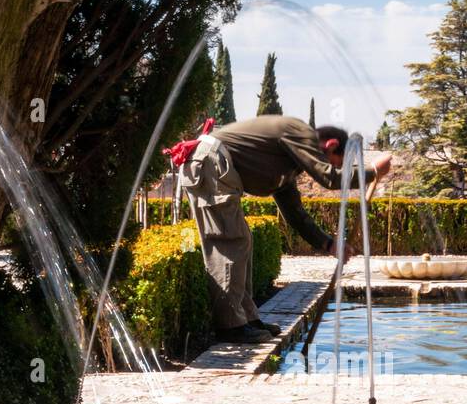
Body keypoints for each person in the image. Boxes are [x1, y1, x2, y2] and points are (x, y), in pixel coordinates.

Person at [165, 115, 392, 342]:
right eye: (336, 162)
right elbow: (329, 178)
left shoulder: (288, 164)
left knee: (241, 240)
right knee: (229, 241)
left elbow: (294, 213)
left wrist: (328, 244)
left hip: (215, 164)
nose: (334, 168)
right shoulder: (300, 131)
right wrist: (371, 172)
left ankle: (246, 319)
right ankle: (231, 327)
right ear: (331, 145)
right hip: (211, 162)